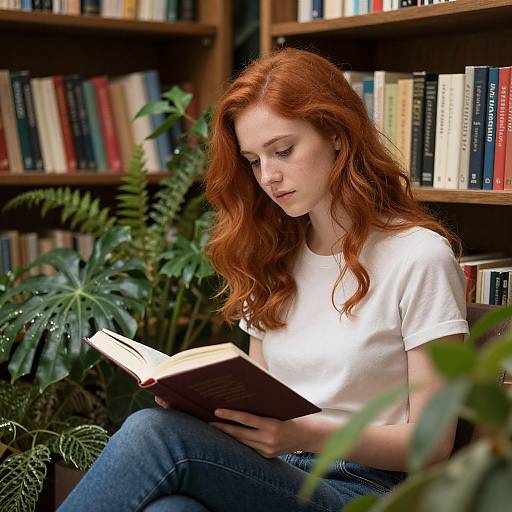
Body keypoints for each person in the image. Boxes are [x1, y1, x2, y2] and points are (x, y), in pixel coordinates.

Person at [58, 48, 469, 512]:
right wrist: (206, 409)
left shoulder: (418, 256)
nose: (269, 176)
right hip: (276, 474)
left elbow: (432, 446)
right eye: (253, 161)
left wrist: (301, 433)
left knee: (151, 432)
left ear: (336, 133)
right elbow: (261, 400)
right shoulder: (272, 256)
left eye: (283, 151)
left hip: (364, 491)